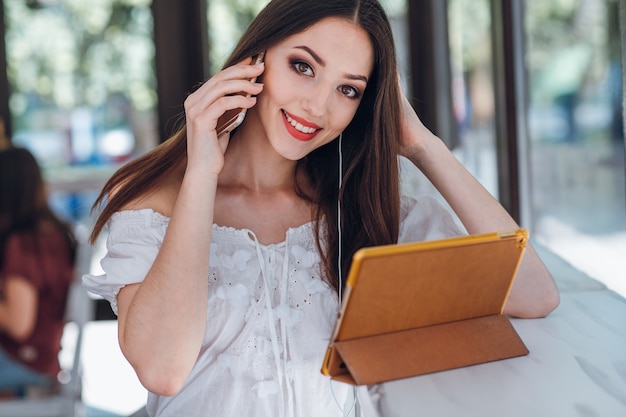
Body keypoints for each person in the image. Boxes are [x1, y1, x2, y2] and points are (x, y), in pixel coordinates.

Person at [83, 0, 560, 415]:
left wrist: (421, 143)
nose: (317, 106)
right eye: (304, 66)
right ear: (257, 58)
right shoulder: (156, 199)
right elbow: (162, 370)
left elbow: (533, 295)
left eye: (348, 89)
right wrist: (202, 173)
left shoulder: (362, 207)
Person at [0, 147, 76, 397]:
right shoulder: (54, 235)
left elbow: (18, 323)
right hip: (44, 361)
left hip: (25, 363)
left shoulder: (23, 244)